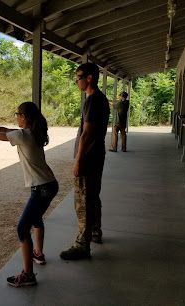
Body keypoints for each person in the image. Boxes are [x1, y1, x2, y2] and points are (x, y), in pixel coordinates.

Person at [0, 101, 59, 287]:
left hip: (41, 188)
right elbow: (2, 129)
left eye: (17, 114)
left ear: (24, 117)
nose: (16, 116)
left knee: (22, 229)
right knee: (36, 218)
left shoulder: (23, 135)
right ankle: (38, 253)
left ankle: (28, 274)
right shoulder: (31, 132)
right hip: (49, 184)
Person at [60, 63, 110, 260]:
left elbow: (86, 134)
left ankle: (83, 244)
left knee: (83, 201)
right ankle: (95, 232)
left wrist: (78, 161)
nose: (76, 81)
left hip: (88, 157)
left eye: (78, 77)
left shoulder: (92, 100)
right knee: (93, 196)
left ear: (89, 78)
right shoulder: (101, 99)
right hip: (97, 155)